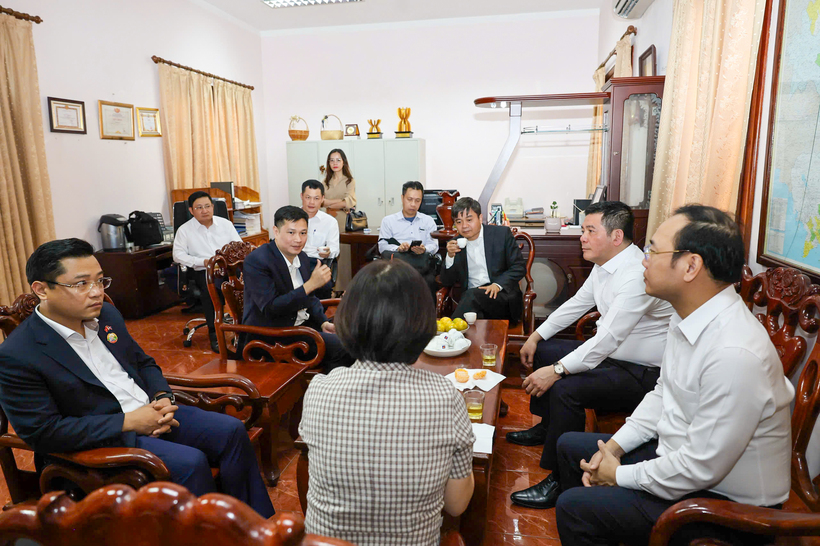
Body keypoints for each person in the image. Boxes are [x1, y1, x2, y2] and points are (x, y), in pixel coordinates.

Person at [554, 205, 794, 546]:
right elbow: (663, 393)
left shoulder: (734, 354)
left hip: (723, 506)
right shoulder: (688, 315)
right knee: (570, 449)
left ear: (691, 265)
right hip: (679, 459)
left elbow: (699, 467)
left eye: (653, 250)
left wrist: (618, 474)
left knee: (574, 507)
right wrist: (613, 448)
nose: (643, 260)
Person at [0, 239, 274, 518]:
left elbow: (142, 363)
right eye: (81, 284)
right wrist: (129, 422)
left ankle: (255, 526)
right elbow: (43, 432)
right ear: (42, 289)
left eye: (100, 281)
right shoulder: (18, 354)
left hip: (151, 411)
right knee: (190, 462)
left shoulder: (106, 314)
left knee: (231, 431)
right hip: (101, 438)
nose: (97, 293)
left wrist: (162, 397)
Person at [506, 201, 673, 509]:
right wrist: (535, 336)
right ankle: (547, 426)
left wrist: (557, 371)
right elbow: (576, 304)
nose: (581, 237)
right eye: (583, 230)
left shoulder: (635, 274)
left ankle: (560, 479)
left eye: (589, 230)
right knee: (545, 349)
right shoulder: (604, 266)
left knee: (566, 387)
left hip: (641, 373)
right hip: (613, 358)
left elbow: (606, 340)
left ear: (616, 236)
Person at [299, 259, 475, 545]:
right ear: (421, 324)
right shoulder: (444, 397)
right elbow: (456, 504)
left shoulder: (320, 389)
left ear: (348, 320)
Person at [242, 206, 353, 372]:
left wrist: (323, 322)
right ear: (276, 231)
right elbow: (271, 308)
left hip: (302, 327)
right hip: (273, 335)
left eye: (303, 233)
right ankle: (326, 391)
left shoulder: (301, 256)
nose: (298, 239)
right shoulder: (258, 261)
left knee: (356, 336)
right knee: (343, 348)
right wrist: (309, 285)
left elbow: (310, 298)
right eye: (291, 232)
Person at [172, 191, 242, 353]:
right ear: (191, 210)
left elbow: (238, 246)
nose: (204, 210)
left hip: (228, 268)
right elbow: (178, 255)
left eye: (207, 206)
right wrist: (201, 262)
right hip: (203, 271)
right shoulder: (184, 230)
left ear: (213, 207)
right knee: (212, 291)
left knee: (246, 286)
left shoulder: (225, 224)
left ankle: (243, 329)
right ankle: (215, 333)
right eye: (199, 207)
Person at [440, 197, 526, 323]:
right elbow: (447, 281)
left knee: (471, 296)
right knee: (472, 303)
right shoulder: (455, 244)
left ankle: (448, 333)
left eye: (469, 220)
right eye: (459, 222)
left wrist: (497, 285)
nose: (464, 226)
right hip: (472, 303)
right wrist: (450, 257)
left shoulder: (501, 234)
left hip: (501, 298)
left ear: (480, 218)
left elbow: (519, 266)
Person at [377, 181, 440, 297]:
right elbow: (382, 246)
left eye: (417, 200)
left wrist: (424, 249)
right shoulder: (389, 221)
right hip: (397, 266)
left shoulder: (428, 221)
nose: (413, 204)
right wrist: (398, 248)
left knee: (429, 281)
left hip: (421, 264)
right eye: (409, 199)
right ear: (402, 198)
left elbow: (434, 244)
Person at [322, 149, 356, 291]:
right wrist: (340, 202)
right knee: (328, 255)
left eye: (338, 160)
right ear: (328, 163)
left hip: (343, 221)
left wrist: (330, 203)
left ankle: (344, 289)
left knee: (344, 256)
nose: (335, 163)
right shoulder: (325, 181)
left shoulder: (349, 180)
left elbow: (350, 201)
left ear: (344, 162)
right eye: (332, 160)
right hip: (327, 220)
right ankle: (330, 289)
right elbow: (321, 202)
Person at [300, 179, 339, 300]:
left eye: (316, 198)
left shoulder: (330, 222)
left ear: (322, 199)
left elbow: (334, 249)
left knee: (323, 286)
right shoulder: (291, 218)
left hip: (316, 262)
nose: (312, 202)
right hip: (293, 261)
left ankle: (318, 317)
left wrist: (328, 252)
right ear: (301, 196)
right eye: (308, 197)